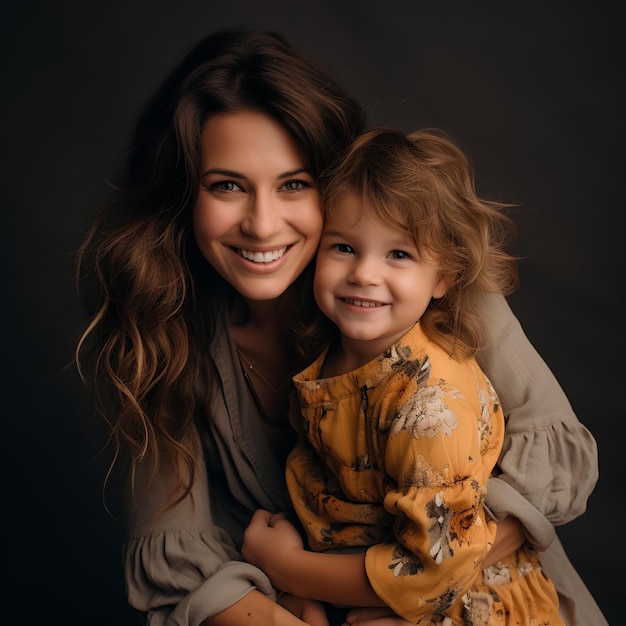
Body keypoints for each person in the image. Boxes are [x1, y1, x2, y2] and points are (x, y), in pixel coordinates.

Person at [75, 26, 605, 626]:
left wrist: (331, 582)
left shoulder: (418, 269)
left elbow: (545, 466)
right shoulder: (159, 332)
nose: (263, 224)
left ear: (335, 181)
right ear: (182, 196)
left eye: (294, 184)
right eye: (227, 186)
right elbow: (180, 562)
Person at [242, 127, 565, 625]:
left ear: (444, 278)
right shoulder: (331, 353)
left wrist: (287, 569)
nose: (365, 274)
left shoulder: (429, 406)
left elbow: (435, 570)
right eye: (344, 247)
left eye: (399, 254)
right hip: (366, 582)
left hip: (462, 605)